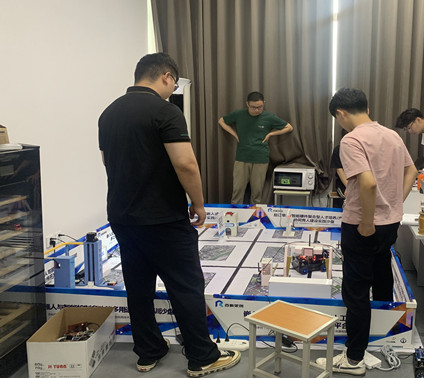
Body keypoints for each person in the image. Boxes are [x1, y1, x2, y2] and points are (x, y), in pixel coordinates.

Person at [98, 53, 240, 376]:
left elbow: (107, 162)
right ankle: (202, 356)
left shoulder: (108, 113)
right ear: (165, 76)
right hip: (163, 218)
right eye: (174, 84)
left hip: (122, 217)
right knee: (186, 285)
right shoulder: (166, 111)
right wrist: (198, 204)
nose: (172, 90)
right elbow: (185, 163)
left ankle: (148, 351)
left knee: (138, 287)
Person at [316, 88, 418, 375]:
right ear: (367, 108)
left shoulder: (351, 140)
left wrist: (367, 221)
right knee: (382, 271)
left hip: (363, 223)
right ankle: (384, 336)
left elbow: (368, 183)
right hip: (391, 222)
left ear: (341, 113)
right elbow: (412, 171)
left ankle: (353, 358)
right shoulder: (392, 135)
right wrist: (396, 203)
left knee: (356, 291)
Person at [218, 92, 293, 204]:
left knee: (257, 193)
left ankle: (255, 214)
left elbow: (289, 127)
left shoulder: (269, 117)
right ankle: (236, 213)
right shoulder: (239, 114)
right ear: (247, 104)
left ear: (264, 104)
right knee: (237, 191)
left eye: (260, 107)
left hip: (260, 158)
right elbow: (221, 121)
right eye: (253, 107)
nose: (257, 110)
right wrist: (234, 134)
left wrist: (271, 134)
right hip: (242, 157)